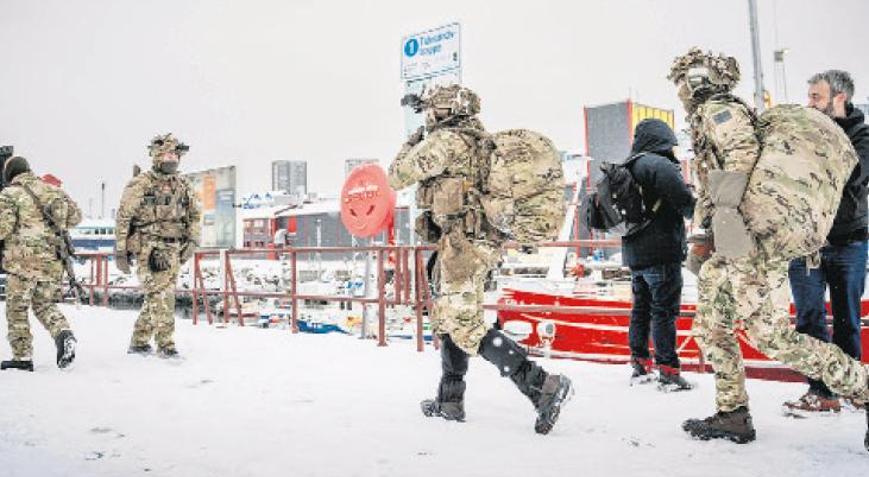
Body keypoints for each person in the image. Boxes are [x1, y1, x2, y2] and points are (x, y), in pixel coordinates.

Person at [668, 47, 869, 446]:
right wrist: (706, 235)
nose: (678, 90)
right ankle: (733, 413)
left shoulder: (718, 109)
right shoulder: (709, 114)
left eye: (681, 81)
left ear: (695, 81)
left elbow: (742, 155)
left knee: (769, 334)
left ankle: (861, 385)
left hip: (749, 238)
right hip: (731, 238)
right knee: (712, 324)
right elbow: (715, 179)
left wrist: (723, 222)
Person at [388, 84, 572, 434]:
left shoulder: (446, 143)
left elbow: (396, 176)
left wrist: (413, 141)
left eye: (430, 109)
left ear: (441, 111)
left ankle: (542, 385)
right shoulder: (478, 142)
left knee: (463, 324)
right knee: (449, 317)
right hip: (468, 242)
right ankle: (449, 400)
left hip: (463, 246)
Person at [784, 70, 869, 414]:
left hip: (848, 242)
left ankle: (853, 388)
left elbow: (852, 174)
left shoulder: (862, 136)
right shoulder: (805, 134)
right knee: (808, 319)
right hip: (804, 244)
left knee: (847, 319)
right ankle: (821, 391)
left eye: (816, 98)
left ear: (839, 98)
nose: (810, 105)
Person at [621, 118, 696, 390]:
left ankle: (640, 364)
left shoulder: (629, 165)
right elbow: (685, 204)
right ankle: (669, 371)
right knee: (663, 312)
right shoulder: (659, 165)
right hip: (661, 249)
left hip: (634, 251)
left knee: (640, 309)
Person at [115, 133, 201, 359]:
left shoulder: (183, 185)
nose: (172, 158)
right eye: (167, 154)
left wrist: (192, 240)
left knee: (158, 294)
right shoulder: (141, 183)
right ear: (156, 156)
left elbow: (194, 215)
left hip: (174, 248)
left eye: (175, 154)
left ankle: (139, 341)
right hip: (149, 246)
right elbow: (124, 217)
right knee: (162, 296)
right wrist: (120, 251)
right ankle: (166, 345)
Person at [0, 156, 81, 371]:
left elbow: (3, 228)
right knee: (44, 304)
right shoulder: (55, 191)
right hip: (53, 262)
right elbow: (75, 217)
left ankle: (22, 357)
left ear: (9, 174)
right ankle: (64, 334)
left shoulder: (9, 194)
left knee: (17, 309)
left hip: (22, 262)